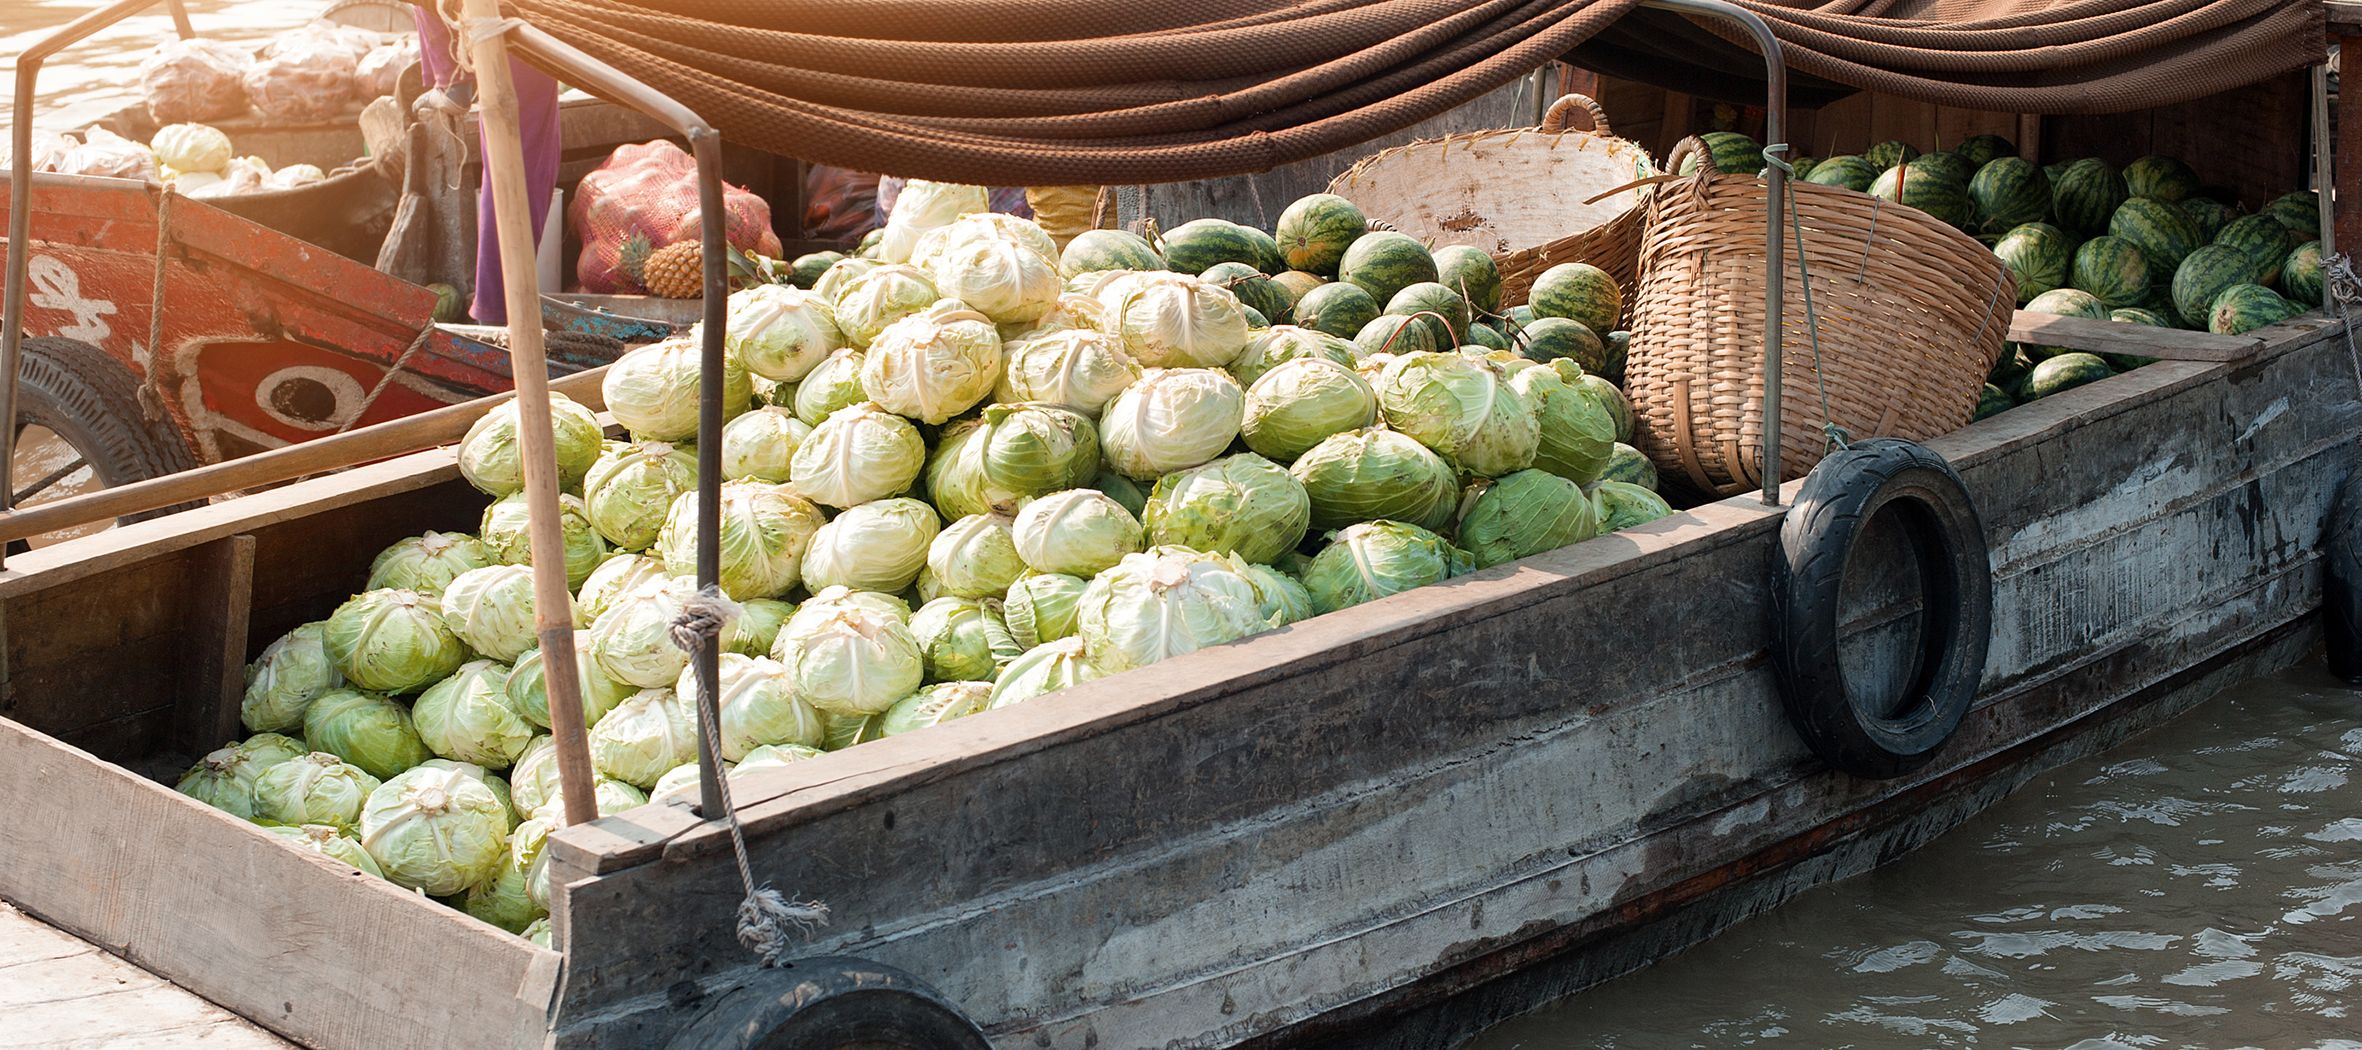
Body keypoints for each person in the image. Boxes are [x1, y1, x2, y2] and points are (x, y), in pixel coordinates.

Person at [412, 7, 561, 326]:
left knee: (515, 153)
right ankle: (500, 309)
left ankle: (450, 78)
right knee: (523, 150)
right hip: (522, 18)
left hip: (514, 18)